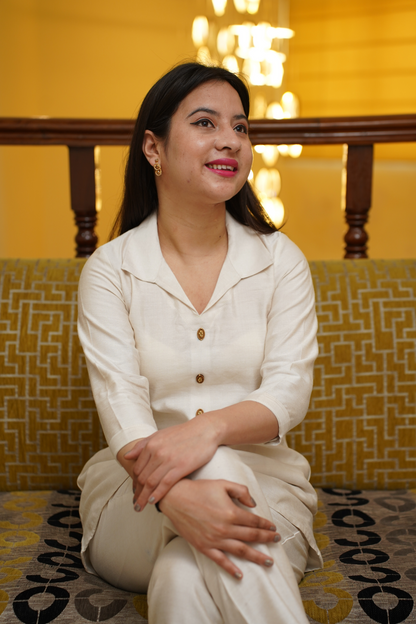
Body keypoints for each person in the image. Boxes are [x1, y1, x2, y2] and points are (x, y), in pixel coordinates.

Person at [77, 61, 323, 624]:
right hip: (135, 499)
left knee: (183, 575)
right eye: (206, 123)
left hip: (268, 490)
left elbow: (288, 393)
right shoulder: (110, 271)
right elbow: (122, 406)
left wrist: (205, 432)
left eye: (240, 127)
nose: (230, 140)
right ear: (154, 148)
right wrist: (177, 497)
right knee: (217, 469)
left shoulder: (280, 261)